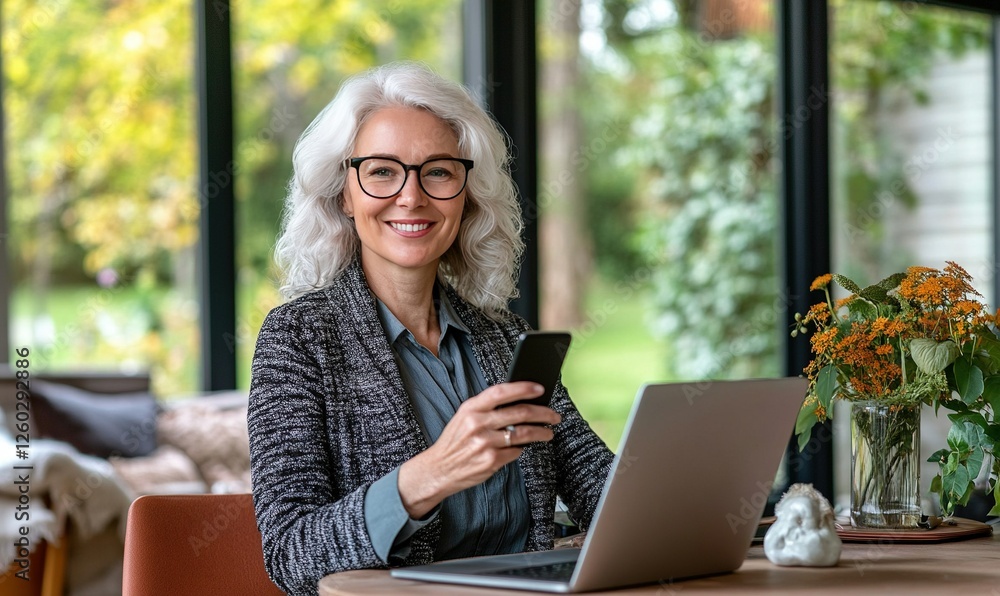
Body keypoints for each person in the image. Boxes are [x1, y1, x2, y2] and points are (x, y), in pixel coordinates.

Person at [248, 62, 614, 596]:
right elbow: (289, 554)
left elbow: (595, 482)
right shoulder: (299, 339)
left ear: (466, 196)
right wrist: (428, 476)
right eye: (380, 171)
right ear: (343, 194)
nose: (411, 196)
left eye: (438, 171)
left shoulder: (502, 334)